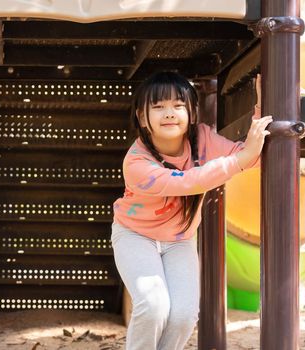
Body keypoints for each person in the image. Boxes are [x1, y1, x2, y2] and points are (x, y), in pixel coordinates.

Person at [111, 71, 271, 350]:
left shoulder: (203, 139)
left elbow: (250, 157)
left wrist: (261, 111)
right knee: (153, 305)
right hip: (135, 236)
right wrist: (241, 158)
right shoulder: (136, 162)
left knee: (184, 315)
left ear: (192, 111)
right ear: (141, 117)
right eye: (158, 107)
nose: (169, 113)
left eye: (178, 105)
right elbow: (188, 183)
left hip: (179, 240)